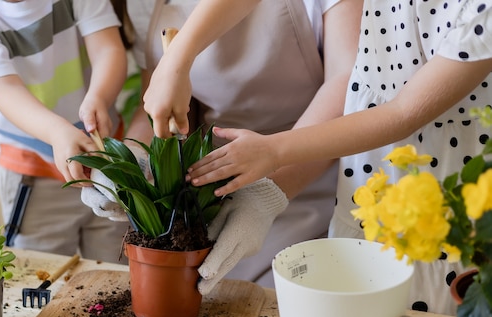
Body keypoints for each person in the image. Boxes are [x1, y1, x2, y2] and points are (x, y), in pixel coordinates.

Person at [182, 0, 492, 315]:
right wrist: (178, 60)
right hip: (367, 188)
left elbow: (404, 113)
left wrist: (273, 151)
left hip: (441, 194)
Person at [85, 0, 362, 291]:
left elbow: (348, 85)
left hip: (310, 178)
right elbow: (160, 105)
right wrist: (133, 160)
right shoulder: (148, 6)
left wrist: (269, 194)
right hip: (212, 192)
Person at [0, 0, 130, 262]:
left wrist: (99, 98)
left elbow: (108, 49)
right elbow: (4, 89)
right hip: (33, 173)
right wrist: (57, 132)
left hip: (106, 159)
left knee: (119, 267)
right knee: (40, 275)